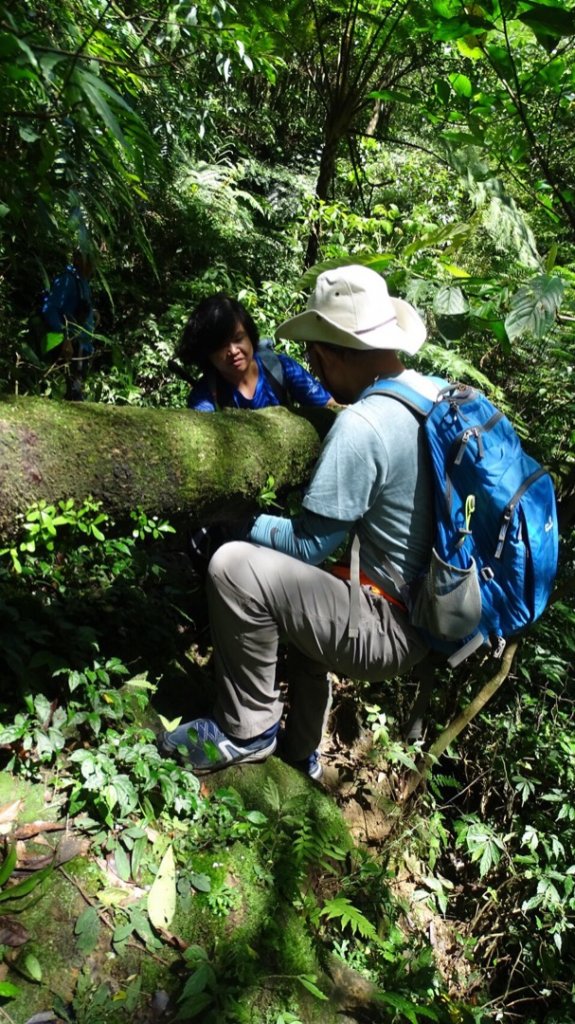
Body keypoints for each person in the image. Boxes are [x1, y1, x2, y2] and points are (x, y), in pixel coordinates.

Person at [159, 265, 438, 781]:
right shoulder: (433, 393)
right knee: (306, 609)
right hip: (428, 612)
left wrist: (243, 522)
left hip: (386, 623)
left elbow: (307, 545)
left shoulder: (363, 425)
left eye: (315, 352)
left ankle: (247, 730)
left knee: (232, 567)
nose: (312, 363)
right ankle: (300, 752)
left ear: (330, 352)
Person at [177, 292, 335, 411]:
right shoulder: (205, 396)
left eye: (238, 339)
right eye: (221, 346)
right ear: (207, 353)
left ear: (250, 336)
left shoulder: (281, 368)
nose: (233, 350)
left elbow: (329, 406)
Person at [42, 249, 96, 401]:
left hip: (82, 347)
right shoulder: (67, 280)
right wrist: (64, 339)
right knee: (71, 395)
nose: (93, 265)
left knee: (76, 391)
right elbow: (50, 309)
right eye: (89, 260)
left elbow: (77, 306)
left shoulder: (82, 281)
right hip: (70, 347)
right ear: (78, 260)